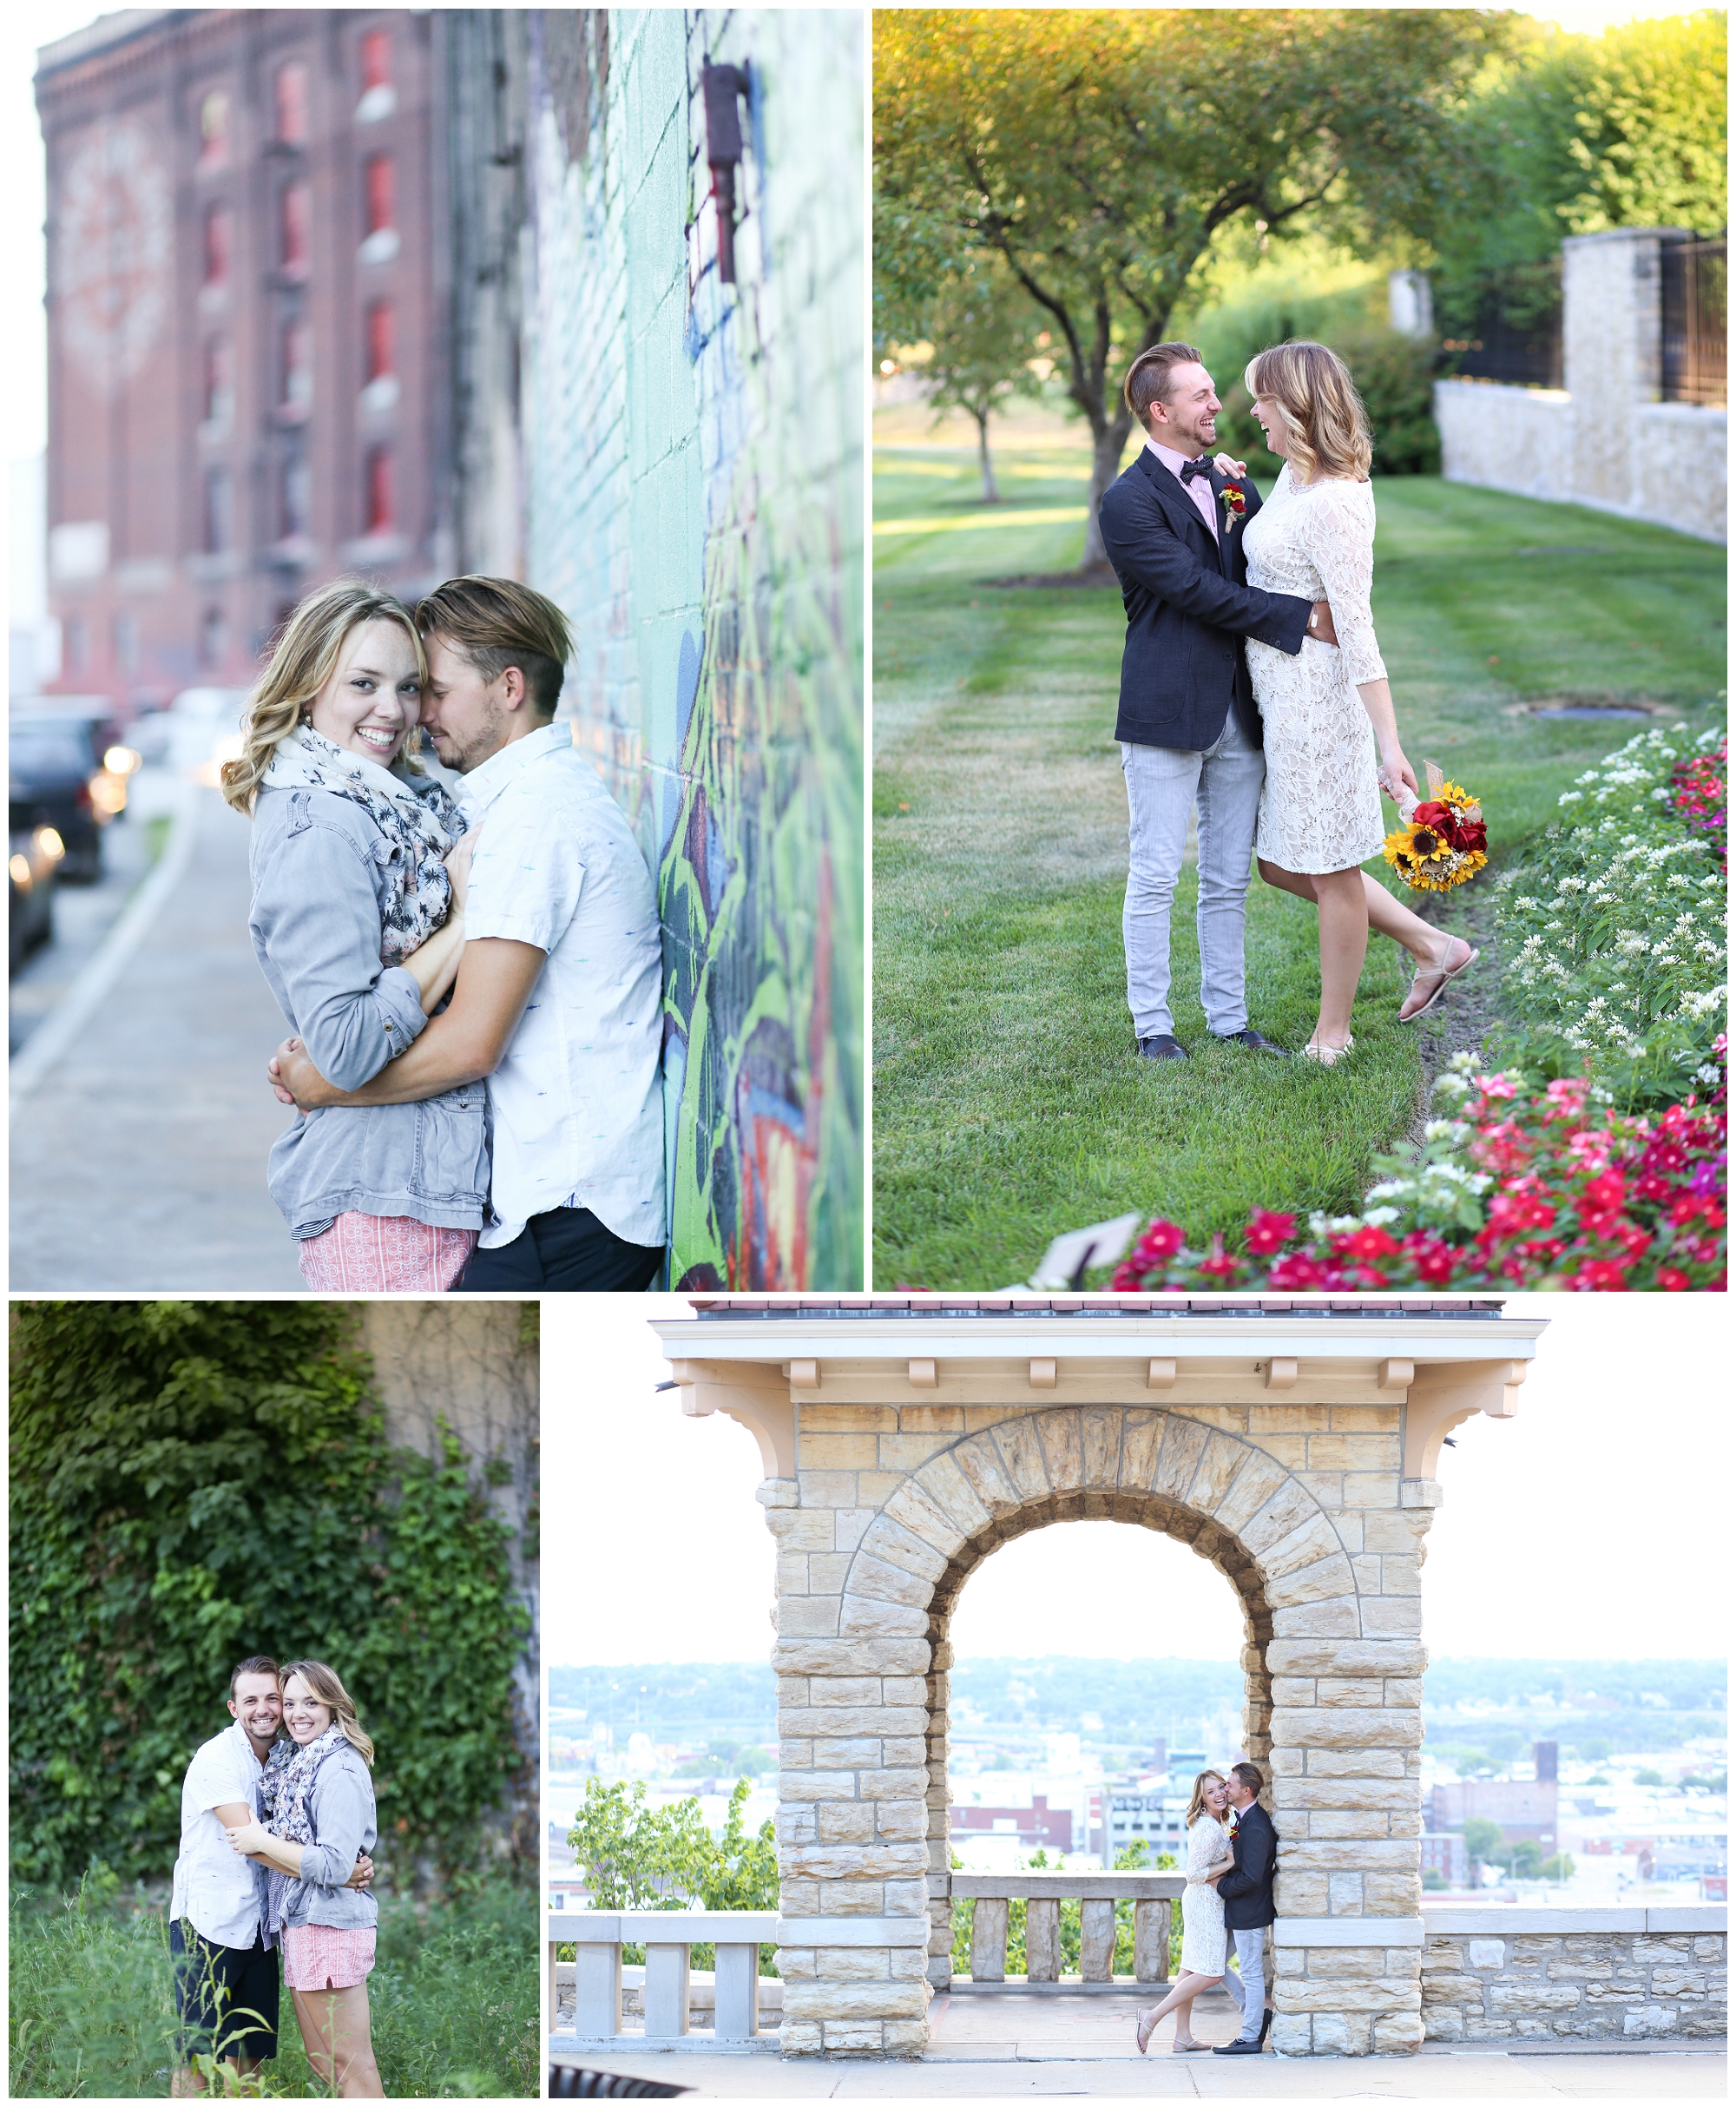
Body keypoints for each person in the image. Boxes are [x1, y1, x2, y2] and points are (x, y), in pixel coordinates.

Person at [267, 576, 667, 1293]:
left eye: (432, 691)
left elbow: (472, 1043)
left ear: (508, 687)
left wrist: (324, 1085)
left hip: (571, 1208)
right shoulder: (517, 805)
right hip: (552, 1201)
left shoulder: (533, 819)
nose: (416, 715)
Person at [224, 578, 487, 1288]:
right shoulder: (322, 829)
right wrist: (463, 926)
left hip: (421, 1184)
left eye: (407, 687)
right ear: (308, 688)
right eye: (363, 683)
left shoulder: (394, 805)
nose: (392, 710)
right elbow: (345, 1046)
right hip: (381, 1203)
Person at [1097, 342, 1341, 1063]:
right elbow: (1196, 590)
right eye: (1201, 395)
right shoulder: (1127, 501)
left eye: (1214, 392)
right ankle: (1153, 1027)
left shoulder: (1232, 483)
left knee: (1229, 876)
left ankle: (1229, 1020)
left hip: (1240, 707)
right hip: (1166, 710)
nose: (1217, 405)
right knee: (1155, 872)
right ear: (1160, 411)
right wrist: (1298, 617)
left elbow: (1258, 554)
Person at [1238, 339, 1477, 1063]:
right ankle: (1433, 944)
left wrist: (1390, 744)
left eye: (1262, 399)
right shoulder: (1291, 476)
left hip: (1319, 706)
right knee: (1280, 864)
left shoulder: (1336, 500)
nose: (1253, 412)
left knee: (1330, 868)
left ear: (1297, 404)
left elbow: (1357, 625)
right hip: (1278, 699)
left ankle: (1332, 1034)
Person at [168, 1656, 371, 2097]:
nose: (265, 1709)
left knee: (249, 2060)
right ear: (233, 1707)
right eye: (251, 1700)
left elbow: (318, 1832)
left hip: (261, 1928)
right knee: (198, 2058)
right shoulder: (217, 1759)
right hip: (210, 1925)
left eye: (273, 1699)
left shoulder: (286, 1760)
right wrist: (339, 1874)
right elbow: (252, 1842)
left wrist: (341, 1866)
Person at [222, 1660, 385, 2098]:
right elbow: (330, 1861)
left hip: (328, 1926)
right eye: (290, 1702)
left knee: (353, 2070)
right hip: (302, 1922)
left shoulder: (339, 1769)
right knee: (323, 2061)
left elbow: (333, 1865)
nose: (297, 1713)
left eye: (310, 1702)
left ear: (334, 1706)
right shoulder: (300, 1763)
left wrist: (259, 1839)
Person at [1134, 1769, 1236, 2054]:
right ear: (1202, 1800)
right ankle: (1151, 2017)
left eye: (1220, 1788)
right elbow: (1192, 1874)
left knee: (1190, 1967)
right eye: (1211, 1792)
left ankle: (1182, 2037)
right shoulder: (1208, 1828)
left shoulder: (1214, 1823)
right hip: (1204, 1901)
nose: (1218, 1795)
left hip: (1201, 1900)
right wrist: (1229, 1864)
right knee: (1213, 1972)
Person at [1211, 1759, 1279, 2055]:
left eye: (1230, 1784)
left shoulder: (1257, 1826)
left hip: (1250, 1911)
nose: (1226, 1788)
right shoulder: (1245, 1820)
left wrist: (1219, 1887)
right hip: (1240, 1912)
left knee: (1251, 1973)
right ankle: (1254, 2012)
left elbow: (1251, 1877)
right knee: (1213, 1963)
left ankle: (1251, 2036)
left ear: (1246, 1790)